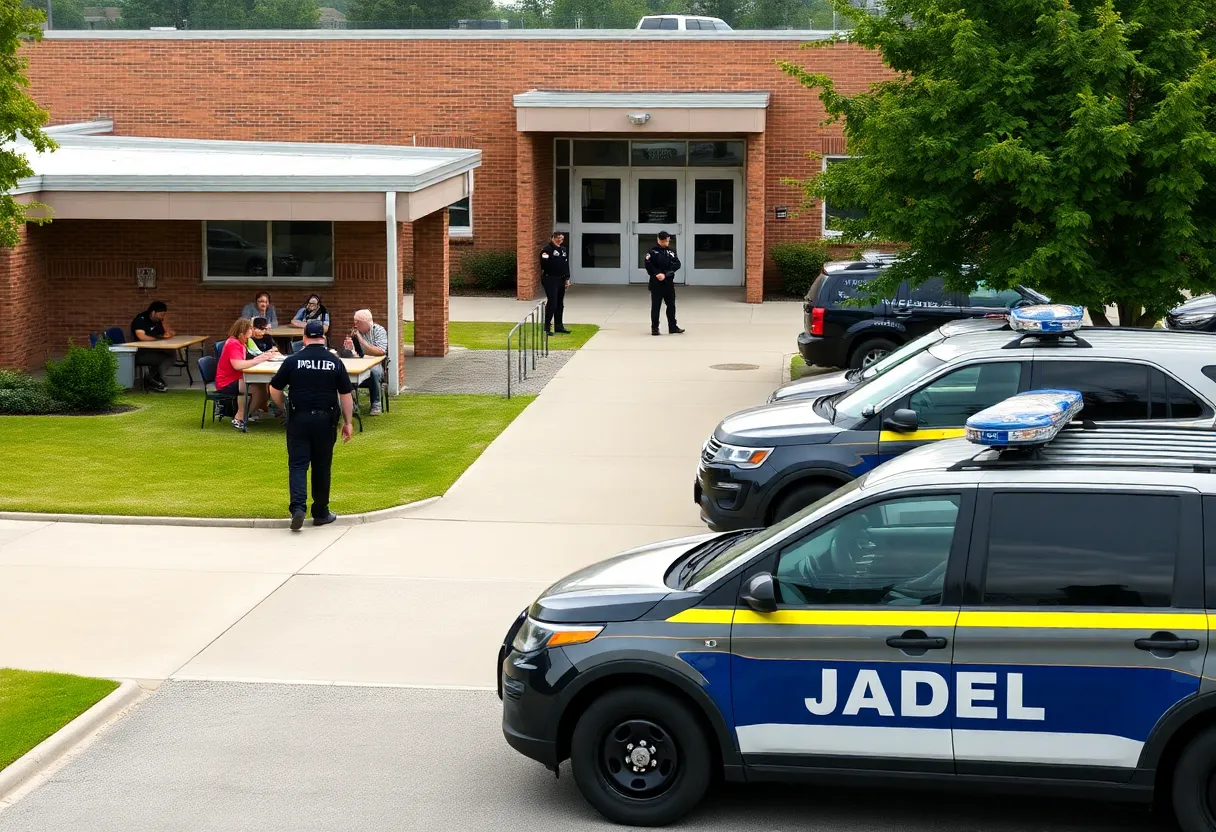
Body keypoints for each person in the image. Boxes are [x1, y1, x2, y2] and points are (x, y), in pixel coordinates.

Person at [269, 319, 355, 531]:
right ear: (323, 338)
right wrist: (348, 422)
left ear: (304, 338)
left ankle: (298, 509)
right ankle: (321, 512)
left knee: (298, 465)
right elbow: (345, 395)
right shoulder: (334, 362)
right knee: (322, 466)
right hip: (325, 421)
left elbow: (274, 389)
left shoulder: (293, 361)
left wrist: (284, 407)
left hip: (299, 419)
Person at [216, 318, 278, 431]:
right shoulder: (233, 343)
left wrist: (261, 357)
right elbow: (238, 365)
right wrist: (257, 360)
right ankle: (239, 417)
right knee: (255, 388)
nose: (252, 330)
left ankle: (244, 416)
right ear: (243, 331)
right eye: (250, 328)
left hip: (238, 378)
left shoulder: (241, 343)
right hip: (227, 381)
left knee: (262, 389)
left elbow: (246, 361)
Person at [340, 309, 388, 416]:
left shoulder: (379, 331)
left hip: (376, 363)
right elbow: (355, 354)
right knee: (346, 372)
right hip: (360, 363)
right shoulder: (355, 333)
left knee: (374, 372)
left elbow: (380, 352)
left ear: (365, 322)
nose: (355, 325)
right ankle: (352, 404)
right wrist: (350, 348)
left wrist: (362, 341)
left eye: (357, 322)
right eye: (354, 322)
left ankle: (376, 403)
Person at [130, 300, 176, 392]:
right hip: (141, 351)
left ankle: (153, 378)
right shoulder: (141, 319)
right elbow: (141, 336)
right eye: (161, 315)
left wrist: (167, 334)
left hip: (153, 349)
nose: (162, 318)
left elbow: (161, 334)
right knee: (163, 358)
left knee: (172, 354)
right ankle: (152, 379)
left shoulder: (157, 320)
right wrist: (156, 339)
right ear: (153, 313)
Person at [645, 231, 685, 336]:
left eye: (667, 240)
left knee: (671, 305)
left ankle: (673, 326)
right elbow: (648, 264)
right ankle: (655, 328)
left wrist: (666, 274)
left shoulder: (671, 251)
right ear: (659, 240)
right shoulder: (652, 251)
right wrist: (656, 274)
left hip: (668, 282)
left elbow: (677, 264)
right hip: (656, 283)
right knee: (656, 306)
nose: (667, 242)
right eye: (665, 240)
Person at [540, 230, 572, 336]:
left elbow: (565, 265)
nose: (559, 240)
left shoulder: (563, 250)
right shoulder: (546, 250)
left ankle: (559, 326)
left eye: (561, 239)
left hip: (561, 279)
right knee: (552, 303)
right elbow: (545, 265)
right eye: (557, 238)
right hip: (550, 279)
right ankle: (547, 326)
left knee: (559, 303)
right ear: (552, 238)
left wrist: (567, 278)